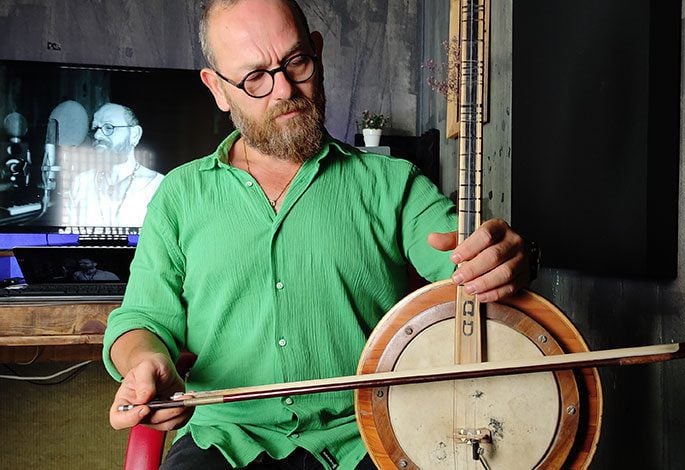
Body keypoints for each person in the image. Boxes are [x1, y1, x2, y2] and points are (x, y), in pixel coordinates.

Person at [103, 1, 533, 469]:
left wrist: (503, 258)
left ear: (318, 53)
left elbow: (467, 259)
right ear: (218, 89)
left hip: (370, 434)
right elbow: (141, 319)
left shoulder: (393, 183)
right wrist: (144, 361)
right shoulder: (179, 195)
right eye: (255, 78)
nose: (284, 89)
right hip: (225, 439)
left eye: (296, 62)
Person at [67, 103, 164, 227]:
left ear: (134, 134)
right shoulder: (80, 183)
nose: (97, 135)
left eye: (108, 127)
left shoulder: (159, 186)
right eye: (95, 128)